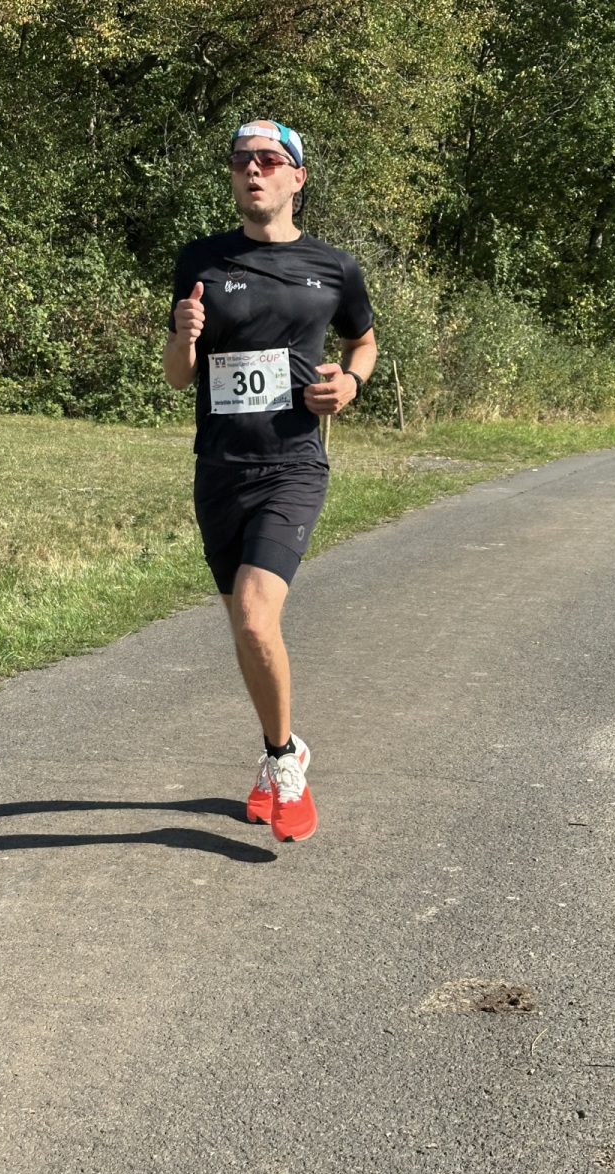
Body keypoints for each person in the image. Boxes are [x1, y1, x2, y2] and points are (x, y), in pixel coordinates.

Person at [163, 119, 377, 842]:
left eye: (268, 160)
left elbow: (363, 342)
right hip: (219, 470)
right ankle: (275, 749)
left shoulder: (334, 267)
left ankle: (285, 761)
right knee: (244, 630)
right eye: (241, 161)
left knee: (257, 617)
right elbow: (177, 376)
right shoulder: (201, 259)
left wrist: (349, 384)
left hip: (292, 465)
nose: (252, 171)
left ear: (296, 177)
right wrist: (183, 336)